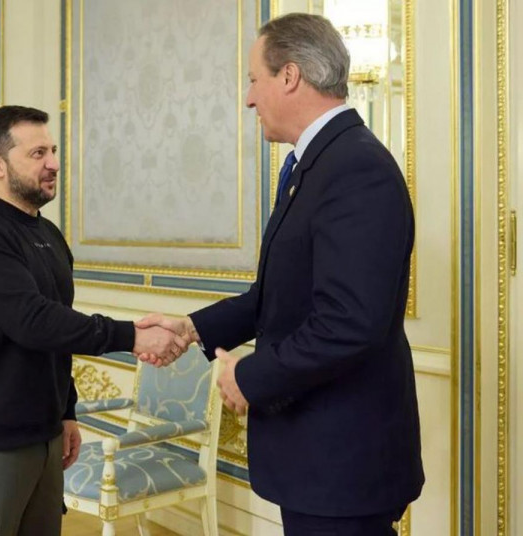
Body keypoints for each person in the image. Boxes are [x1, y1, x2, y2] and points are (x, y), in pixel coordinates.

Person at [137, 13, 424, 536]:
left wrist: (247, 377)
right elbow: (276, 295)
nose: (249, 99)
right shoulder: (314, 165)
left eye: (254, 79)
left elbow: (349, 323)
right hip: (319, 460)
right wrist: (193, 328)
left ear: (289, 76)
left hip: (343, 466)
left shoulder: (355, 168)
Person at [0, 105, 187, 536]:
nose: (53, 163)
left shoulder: (48, 234)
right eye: (38, 154)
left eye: (52, 150)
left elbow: (56, 330)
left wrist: (66, 411)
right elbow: (32, 321)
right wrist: (132, 336)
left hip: (45, 434)